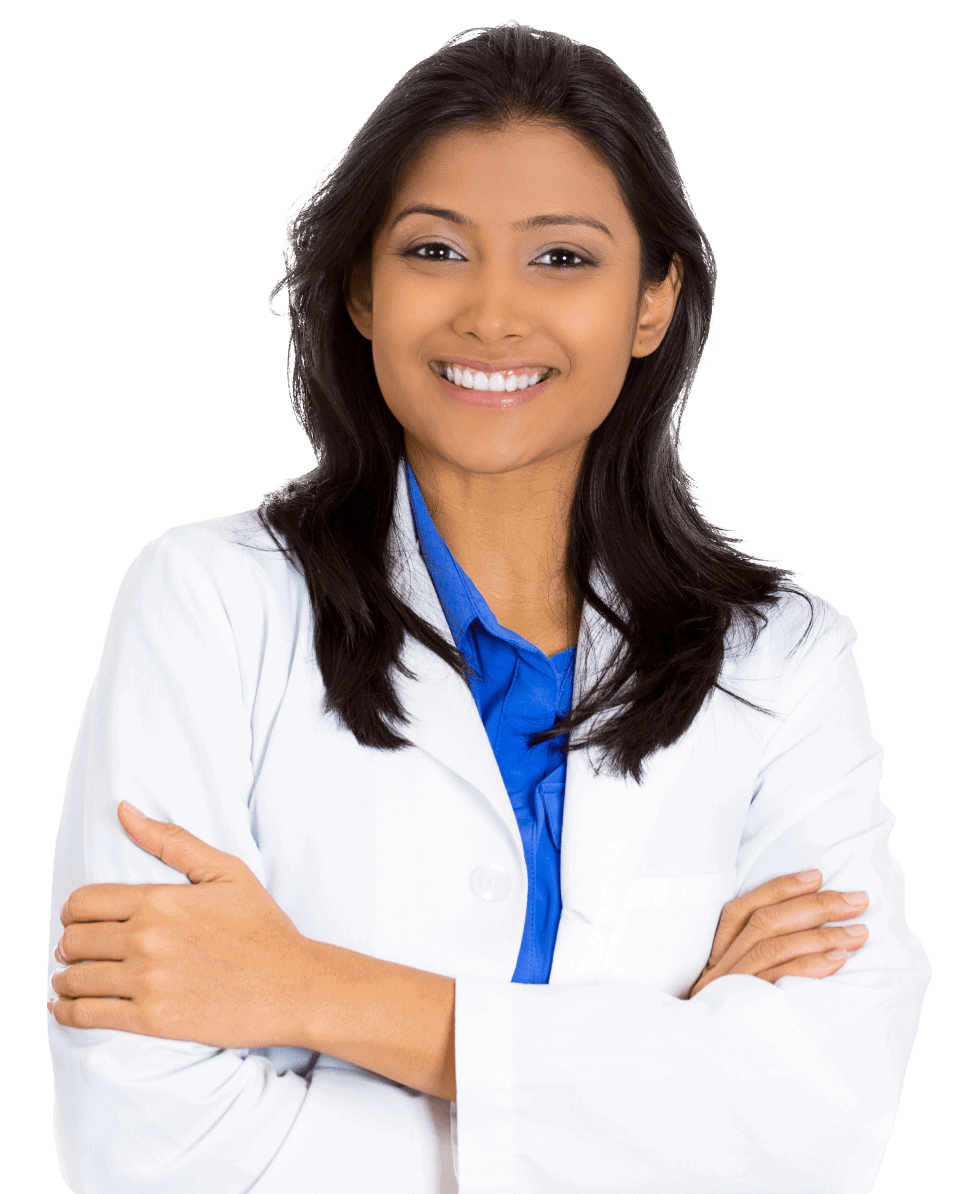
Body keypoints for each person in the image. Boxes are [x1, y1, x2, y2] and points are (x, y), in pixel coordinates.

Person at [46, 21, 930, 1194]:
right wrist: (666, 1065)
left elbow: (822, 1124)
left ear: (653, 303)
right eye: (435, 252)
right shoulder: (210, 606)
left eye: (562, 258)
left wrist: (314, 991)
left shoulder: (782, 663)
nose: (494, 316)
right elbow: (159, 1147)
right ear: (360, 287)